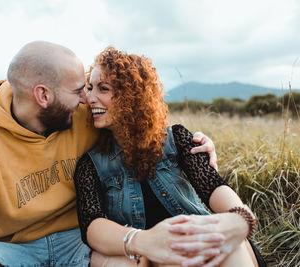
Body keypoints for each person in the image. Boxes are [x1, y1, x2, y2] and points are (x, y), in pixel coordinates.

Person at [0, 41, 217, 267]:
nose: (88, 98)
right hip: (16, 249)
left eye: (88, 87)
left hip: (82, 241)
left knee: (131, 263)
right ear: (43, 95)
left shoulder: (85, 113)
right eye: (78, 90)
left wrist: (194, 147)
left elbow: (138, 121)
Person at [73, 47, 266, 267]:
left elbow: (212, 186)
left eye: (103, 89)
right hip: (148, 254)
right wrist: (145, 241)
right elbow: (92, 224)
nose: (90, 98)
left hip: (196, 238)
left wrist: (239, 218)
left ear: (131, 95)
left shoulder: (176, 139)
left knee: (226, 247)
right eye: (90, 88)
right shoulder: (91, 164)